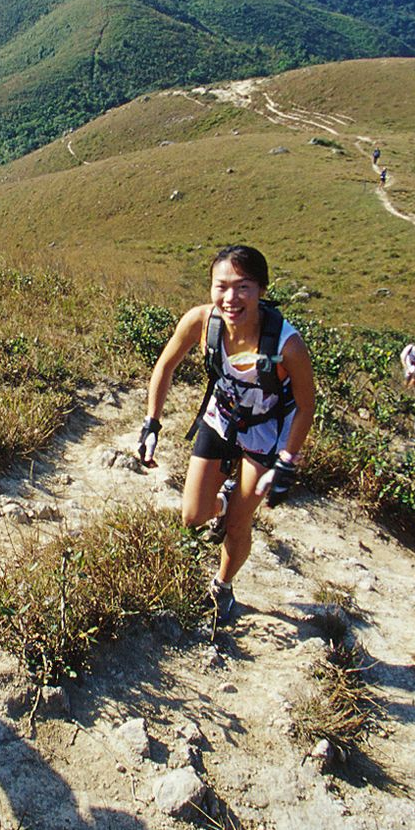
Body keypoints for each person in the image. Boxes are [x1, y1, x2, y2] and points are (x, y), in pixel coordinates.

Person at [136, 246, 318, 624]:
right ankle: (223, 498)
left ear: (262, 290)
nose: (231, 298)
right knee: (193, 516)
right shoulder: (202, 322)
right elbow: (165, 366)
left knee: (238, 523)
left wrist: (288, 460)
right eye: (221, 287)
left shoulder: (287, 344)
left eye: (243, 287)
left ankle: (222, 585)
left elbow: (305, 405)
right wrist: (152, 422)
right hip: (221, 418)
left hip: (267, 430)